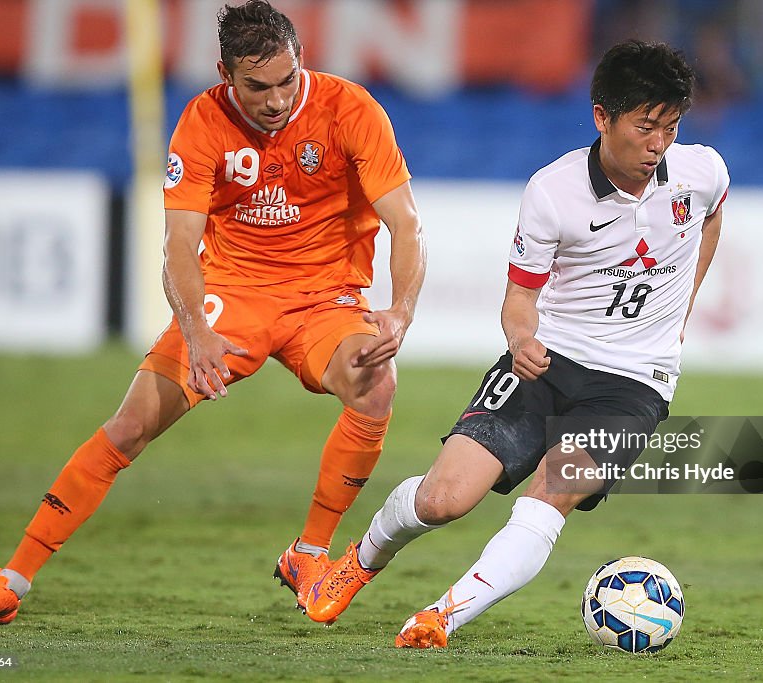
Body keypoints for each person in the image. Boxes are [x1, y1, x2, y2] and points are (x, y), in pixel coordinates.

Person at [0, 0, 424, 625]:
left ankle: (309, 553)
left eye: (287, 81)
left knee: (375, 383)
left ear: (301, 61)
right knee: (130, 426)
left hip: (323, 297)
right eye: (258, 87)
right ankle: (10, 580)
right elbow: (176, 248)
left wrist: (400, 311)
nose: (276, 100)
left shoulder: (350, 108)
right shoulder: (202, 121)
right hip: (233, 295)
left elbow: (406, 225)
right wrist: (197, 333)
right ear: (226, 75)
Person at [304, 40, 728, 648]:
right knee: (445, 498)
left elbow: (712, 215)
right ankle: (360, 562)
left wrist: (683, 306)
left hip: (636, 385)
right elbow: (519, 298)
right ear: (603, 117)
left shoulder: (702, 171)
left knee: (549, 494)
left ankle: (441, 617)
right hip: (547, 362)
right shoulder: (553, 192)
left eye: (671, 127)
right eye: (646, 127)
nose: (659, 144)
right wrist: (520, 338)